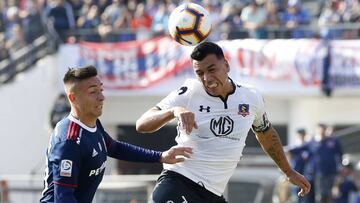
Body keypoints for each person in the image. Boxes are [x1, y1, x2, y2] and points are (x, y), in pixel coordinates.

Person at [136, 42, 311, 203]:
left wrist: (288, 171)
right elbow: (142, 124)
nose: (207, 78)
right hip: (178, 182)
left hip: (213, 194)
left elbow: (265, 133)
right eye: (200, 73)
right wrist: (173, 112)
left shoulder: (251, 97)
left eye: (211, 69)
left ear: (226, 65)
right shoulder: (188, 93)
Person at [40, 65, 193, 203]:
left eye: (101, 90)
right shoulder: (69, 141)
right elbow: (63, 197)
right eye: (93, 92)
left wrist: (160, 156)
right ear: (73, 98)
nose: (101, 97)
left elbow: (114, 147)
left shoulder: (91, 124)